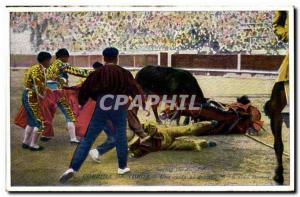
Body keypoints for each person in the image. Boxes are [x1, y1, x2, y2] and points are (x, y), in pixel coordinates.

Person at [59, 47, 145, 183]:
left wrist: (91, 100)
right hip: (119, 105)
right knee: (121, 136)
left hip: (102, 104)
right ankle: (122, 167)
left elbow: (84, 91)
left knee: (88, 138)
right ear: (117, 57)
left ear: (104, 58)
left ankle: (72, 168)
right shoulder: (124, 73)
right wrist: (141, 103)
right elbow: (136, 90)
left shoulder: (97, 73)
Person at [44, 48, 91, 144]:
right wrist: (91, 74)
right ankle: (73, 138)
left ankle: (45, 134)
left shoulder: (49, 66)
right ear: (63, 57)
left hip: (46, 92)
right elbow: (76, 71)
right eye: (67, 57)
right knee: (69, 114)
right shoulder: (62, 64)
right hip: (58, 92)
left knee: (47, 113)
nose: (68, 59)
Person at [21, 52, 52, 151]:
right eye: (49, 60)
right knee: (39, 123)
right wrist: (43, 96)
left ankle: (25, 142)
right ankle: (33, 145)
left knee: (31, 121)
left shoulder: (35, 67)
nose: (50, 62)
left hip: (28, 94)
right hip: (31, 96)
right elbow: (38, 86)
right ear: (45, 60)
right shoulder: (37, 69)